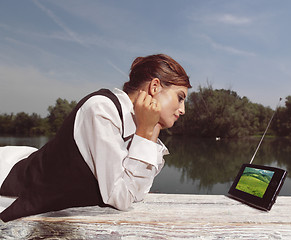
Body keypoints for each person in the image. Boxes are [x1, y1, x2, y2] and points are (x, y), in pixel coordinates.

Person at [0, 54, 191, 222]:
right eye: (180, 97)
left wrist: (151, 128)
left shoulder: (138, 125)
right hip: (8, 184)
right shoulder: (101, 109)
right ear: (155, 87)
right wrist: (146, 131)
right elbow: (121, 198)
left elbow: (138, 193)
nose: (183, 110)